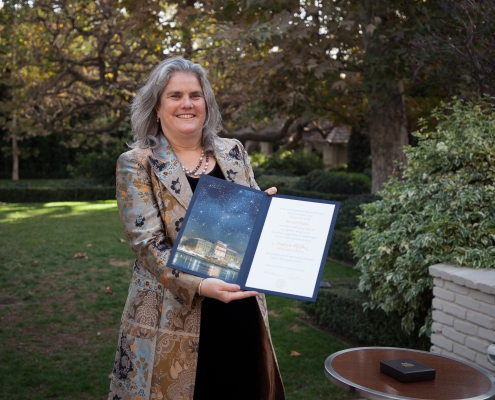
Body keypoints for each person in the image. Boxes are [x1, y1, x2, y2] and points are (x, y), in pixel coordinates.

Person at [108, 58, 285, 400]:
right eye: (175, 95)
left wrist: (265, 212)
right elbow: (147, 245)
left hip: (240, 308)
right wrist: (201, 284)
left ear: (207, 104)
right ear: (157, 107)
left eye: (195, 95)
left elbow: (248, 230)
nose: (187, 103)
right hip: (172, 316)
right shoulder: (136, 163)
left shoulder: (233, 152)